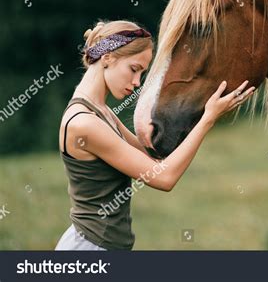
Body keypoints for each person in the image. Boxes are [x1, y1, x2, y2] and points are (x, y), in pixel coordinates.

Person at [55, 20, 254, 250]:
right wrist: (209, 118)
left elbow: (156, 162)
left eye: (142, 73)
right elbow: (164, 178)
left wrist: (196, 114)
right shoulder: (85, 124)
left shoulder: (101, 112)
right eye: (134, 69)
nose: (136, 82)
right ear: (108, 58)